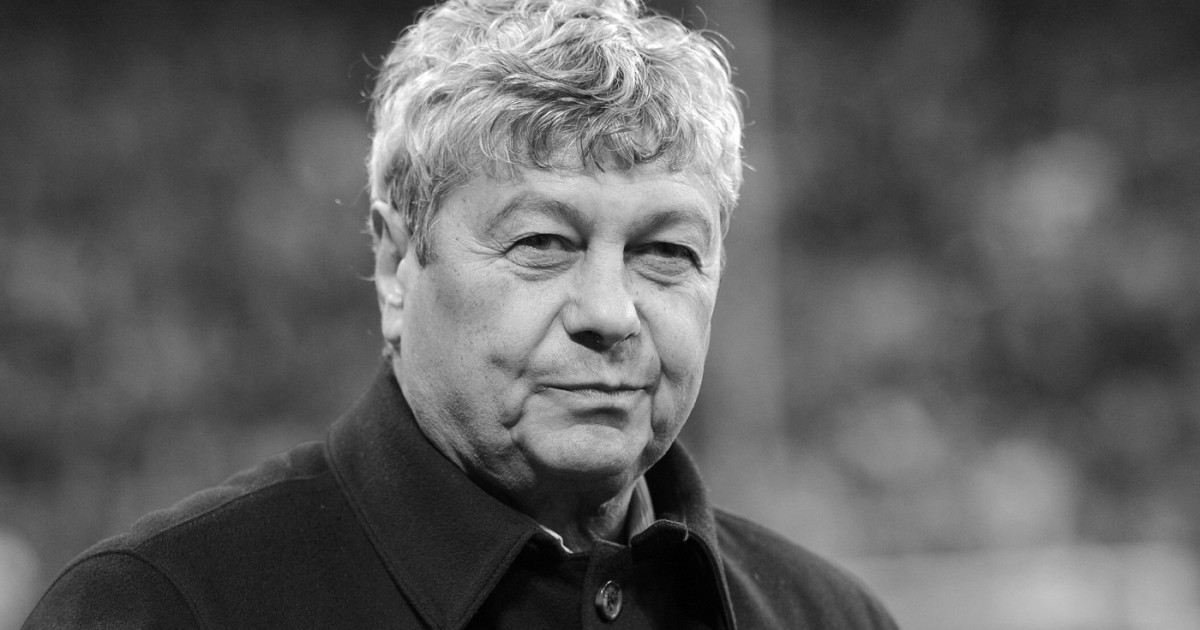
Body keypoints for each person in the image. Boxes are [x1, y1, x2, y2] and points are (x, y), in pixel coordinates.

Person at [24, 0, 898, 627]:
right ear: (395, 263)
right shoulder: (158, 607)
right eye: (542, 243)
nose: (609, 313)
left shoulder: (830, 615)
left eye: (664, 252)